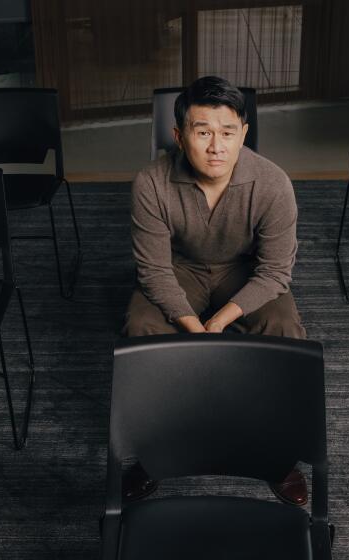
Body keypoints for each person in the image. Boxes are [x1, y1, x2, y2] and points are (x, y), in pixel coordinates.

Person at [122, 76, 308, 506]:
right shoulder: (151, 183)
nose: (216, 146)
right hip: (178, 269)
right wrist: (194, 327)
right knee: (141, 326)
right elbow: (152, 269)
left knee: (284, 330)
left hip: (245, 272)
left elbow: (276, 271)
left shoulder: (273, 182)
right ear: (179, 135)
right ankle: (153, 453)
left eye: (228, 133)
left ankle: (277, 457)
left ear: (244, 133)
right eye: (203, 131)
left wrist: (221, 320)